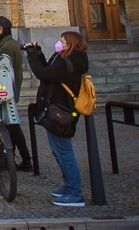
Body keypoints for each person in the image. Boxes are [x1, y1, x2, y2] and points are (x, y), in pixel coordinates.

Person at [25, 30, 90, 207]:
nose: (59, 43)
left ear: (71, 45)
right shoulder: (67, 60)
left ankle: (75, 193)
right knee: (60, 150)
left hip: (60, 112)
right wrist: (38, 52)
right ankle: (69, 186)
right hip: (59, 109)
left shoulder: (67, 62)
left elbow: (43, 74)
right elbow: (48, 70)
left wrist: (31, 55)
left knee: (64, 152)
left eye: (62, 41)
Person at [0, 17, 33, 171]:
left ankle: (20, 158)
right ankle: (17, 157)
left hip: (7, 90)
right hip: (10, 89)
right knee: (11, 125)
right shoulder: (9, 43)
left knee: (12, 125)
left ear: (0, 29)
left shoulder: (6, 47)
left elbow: (3, 71)